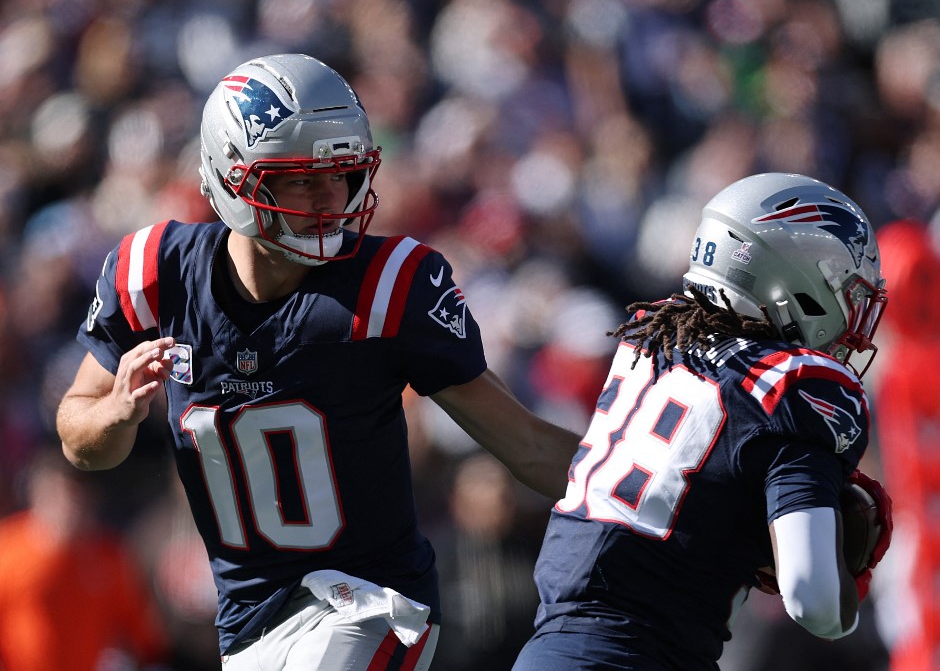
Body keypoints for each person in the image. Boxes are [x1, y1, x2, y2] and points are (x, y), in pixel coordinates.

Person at [55, 53, 581, 671]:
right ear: (233, 177)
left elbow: (525, 444)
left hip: (372, 602)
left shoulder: (388, 286)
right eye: (302, 179)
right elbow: (81, 442)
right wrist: (117, 413)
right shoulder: (153, 275)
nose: (332, 198)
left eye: (343, 174)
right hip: (249, 619)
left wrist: (664, 502)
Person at [513, 172, 895, 670]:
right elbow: (811, 598)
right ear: (800, 281)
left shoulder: (652, 344)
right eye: (848, 292)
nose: (852, 318)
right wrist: (848, 592)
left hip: (549, 648)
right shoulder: (799, 382)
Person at [0, 448, 168, 670]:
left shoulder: (108, 557)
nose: (67, 506)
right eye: (56, 495)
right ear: (36, 495)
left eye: (75, 495)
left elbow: (139, 632)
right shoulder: (8, 550)